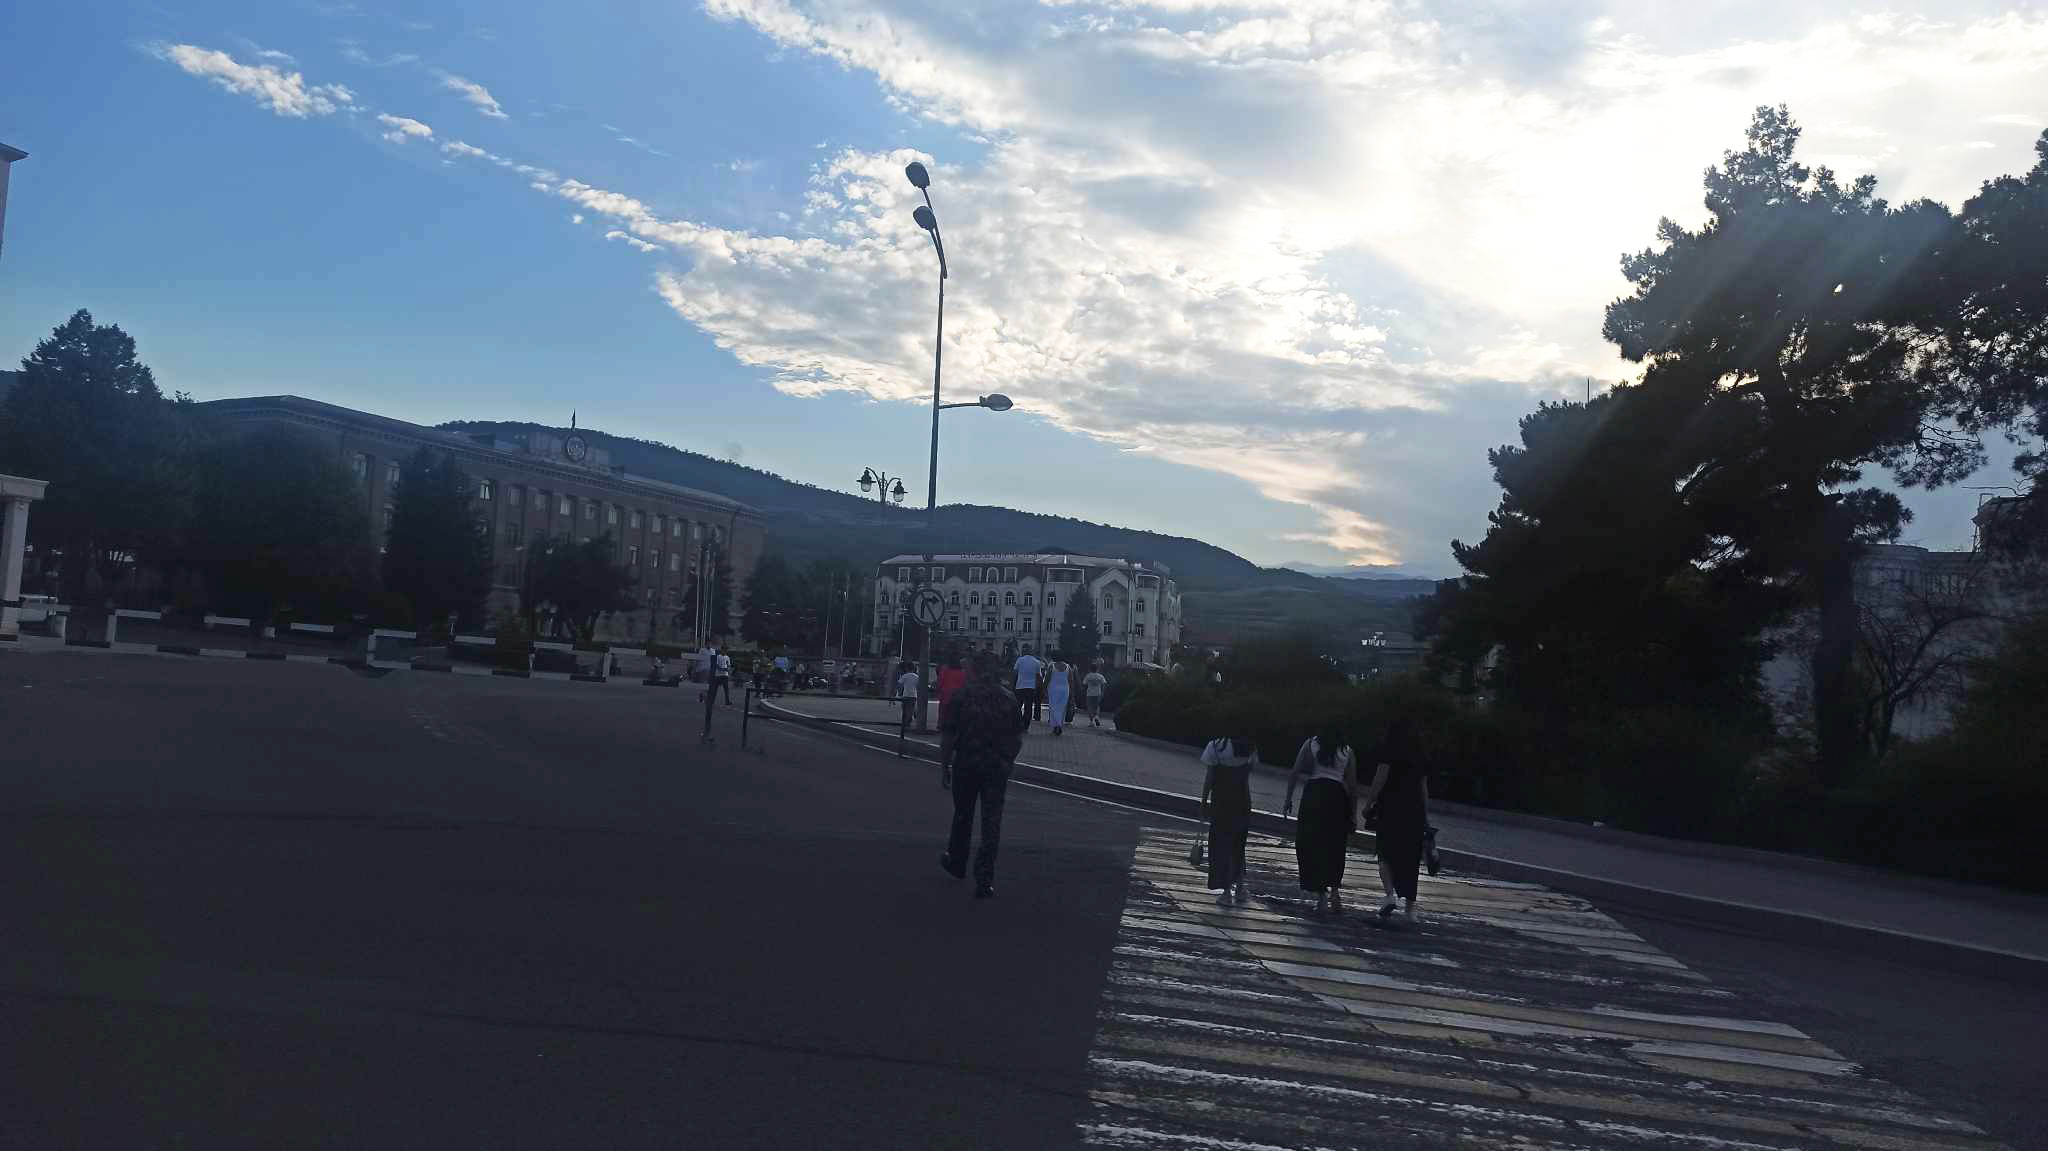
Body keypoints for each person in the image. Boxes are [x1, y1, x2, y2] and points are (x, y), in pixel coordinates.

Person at [940, 652, 1027, 898]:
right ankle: (984, 877)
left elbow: (949, 736)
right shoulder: (1009, 699)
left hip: (966, 765)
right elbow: (1017, 738)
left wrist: (944, 766)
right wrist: (1007, 760)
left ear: (974, 670)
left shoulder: (961, 696)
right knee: (991, 821)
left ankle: (957, 862)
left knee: (962, 815)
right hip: (996, 768)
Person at [1360, 718, 1430, 925]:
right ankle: (1410, 909)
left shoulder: (1389, 751)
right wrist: (1425, 816)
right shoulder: (1421, 755)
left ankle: (1390, 895)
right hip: (1414, 811)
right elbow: (1423, 788)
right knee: (1411, 858)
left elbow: (1380, 779)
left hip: (1391, 809)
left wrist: (1368, 804)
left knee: (1385, 852)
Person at [1283, 725, 1357, 914]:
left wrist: (1288, 799)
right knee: (1335, 845)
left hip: (1314, 794)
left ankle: (1321, 895)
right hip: (1337, 796)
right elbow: (1352, 785)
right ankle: (1335, 890)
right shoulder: (1347, 751)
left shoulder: (1311, 744)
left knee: (1310, 844)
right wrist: (1353, 813)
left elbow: (1295, 771)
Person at [1201, 735, 1258, 904]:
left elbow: (1209, 778)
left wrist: (1203, 802)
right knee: (1238, 845)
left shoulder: (1215, 746)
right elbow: (1250, 772)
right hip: (1242, 801)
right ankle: (1240, 887)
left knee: (1221, 846)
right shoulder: (1249, 747)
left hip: (1221, 802)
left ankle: (1226, 891)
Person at [935, 651, 969, 773]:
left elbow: (940, 685)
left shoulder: (945, 670)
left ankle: (945, 766)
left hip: (946, 704)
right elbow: (966, 687)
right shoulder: (963, 673)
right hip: (960, 706)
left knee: (946, 735)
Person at [1012, 650, 1042, 726]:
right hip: (1031, 687)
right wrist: (1037, 687)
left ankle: (1018, 721)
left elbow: (1015, 672)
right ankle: (1026, 724)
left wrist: (1013, 683)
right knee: (1028, 706)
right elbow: (1038, 676)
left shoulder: (1019, 660)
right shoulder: (1036, 662)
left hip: (1020, 685)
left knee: (1018, 705)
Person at [1046, 658, 1073, 735]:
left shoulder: (1051, 666)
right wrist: (1071, 692)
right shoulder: (1068, 667)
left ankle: (1056, 726)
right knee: (1062, 709)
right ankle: (1059, 725)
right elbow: (1071, 680)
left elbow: (1047, 678)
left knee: (1053, 707)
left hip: (1053, 689)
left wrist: (1044, 688)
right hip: (1065, 690)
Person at [895, 660, 921, 735]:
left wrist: (899, 692)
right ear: (914, 668)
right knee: (911, 709)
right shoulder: (917, 677)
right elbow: (919, 686)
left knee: (904, 709)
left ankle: (906, 722)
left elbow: (899, 684)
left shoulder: (905, 676)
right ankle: (909, 720)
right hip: (913, 695)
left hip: (906, 694)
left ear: (907, 668)